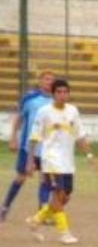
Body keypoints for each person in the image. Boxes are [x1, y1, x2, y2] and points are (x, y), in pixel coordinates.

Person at [25, 79, 97, 244]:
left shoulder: (73, 111)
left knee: (65, 197)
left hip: (67, 162)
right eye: (59, 92)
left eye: (65, 92)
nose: (63, 95)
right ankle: (64, 233)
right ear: (53, 94)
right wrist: (30, 161)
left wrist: (90, 156)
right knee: (59, 195)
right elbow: (34, 137)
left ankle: (35, 220)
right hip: (50, 160)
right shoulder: (44, 112)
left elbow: (80, 136)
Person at [0, 70, 55, 221]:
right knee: (20, 178)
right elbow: (19, 118)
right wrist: (13, 138)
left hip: (47, 149)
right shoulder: (30, 99)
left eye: (51, 80)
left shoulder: (57, 101)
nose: (48, 82)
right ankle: (5, 206)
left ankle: (41, 213)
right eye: (46, 79)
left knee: (45, 180)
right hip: (28, 147)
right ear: (40, 81)